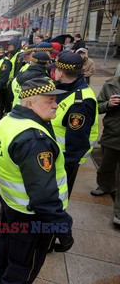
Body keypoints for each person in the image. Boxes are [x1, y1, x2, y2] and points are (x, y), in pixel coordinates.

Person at [0, 77, 74, 283]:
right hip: (32, 218)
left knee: (4, 255)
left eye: (56, 100)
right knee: (22, 269)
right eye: (49, 101)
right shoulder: (34, 139)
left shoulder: (7, 120)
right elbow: (44, 195)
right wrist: (63, 228)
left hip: (10, 207)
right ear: (29, 103)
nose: (56, 105)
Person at [52, 52, 98, 197]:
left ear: (61, 73)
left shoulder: (80, 103)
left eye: (56, 69)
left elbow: (77, 143)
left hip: (64, 161)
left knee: (57, 199)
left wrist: (63, 164)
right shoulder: (65, 88)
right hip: (56, 155)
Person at [90, 73, 120, 226]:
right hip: (112, 134)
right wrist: (108, 104)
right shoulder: (110, 84)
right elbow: (97, 106)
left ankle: (119, 213)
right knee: (106, 166)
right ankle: (105, 186)